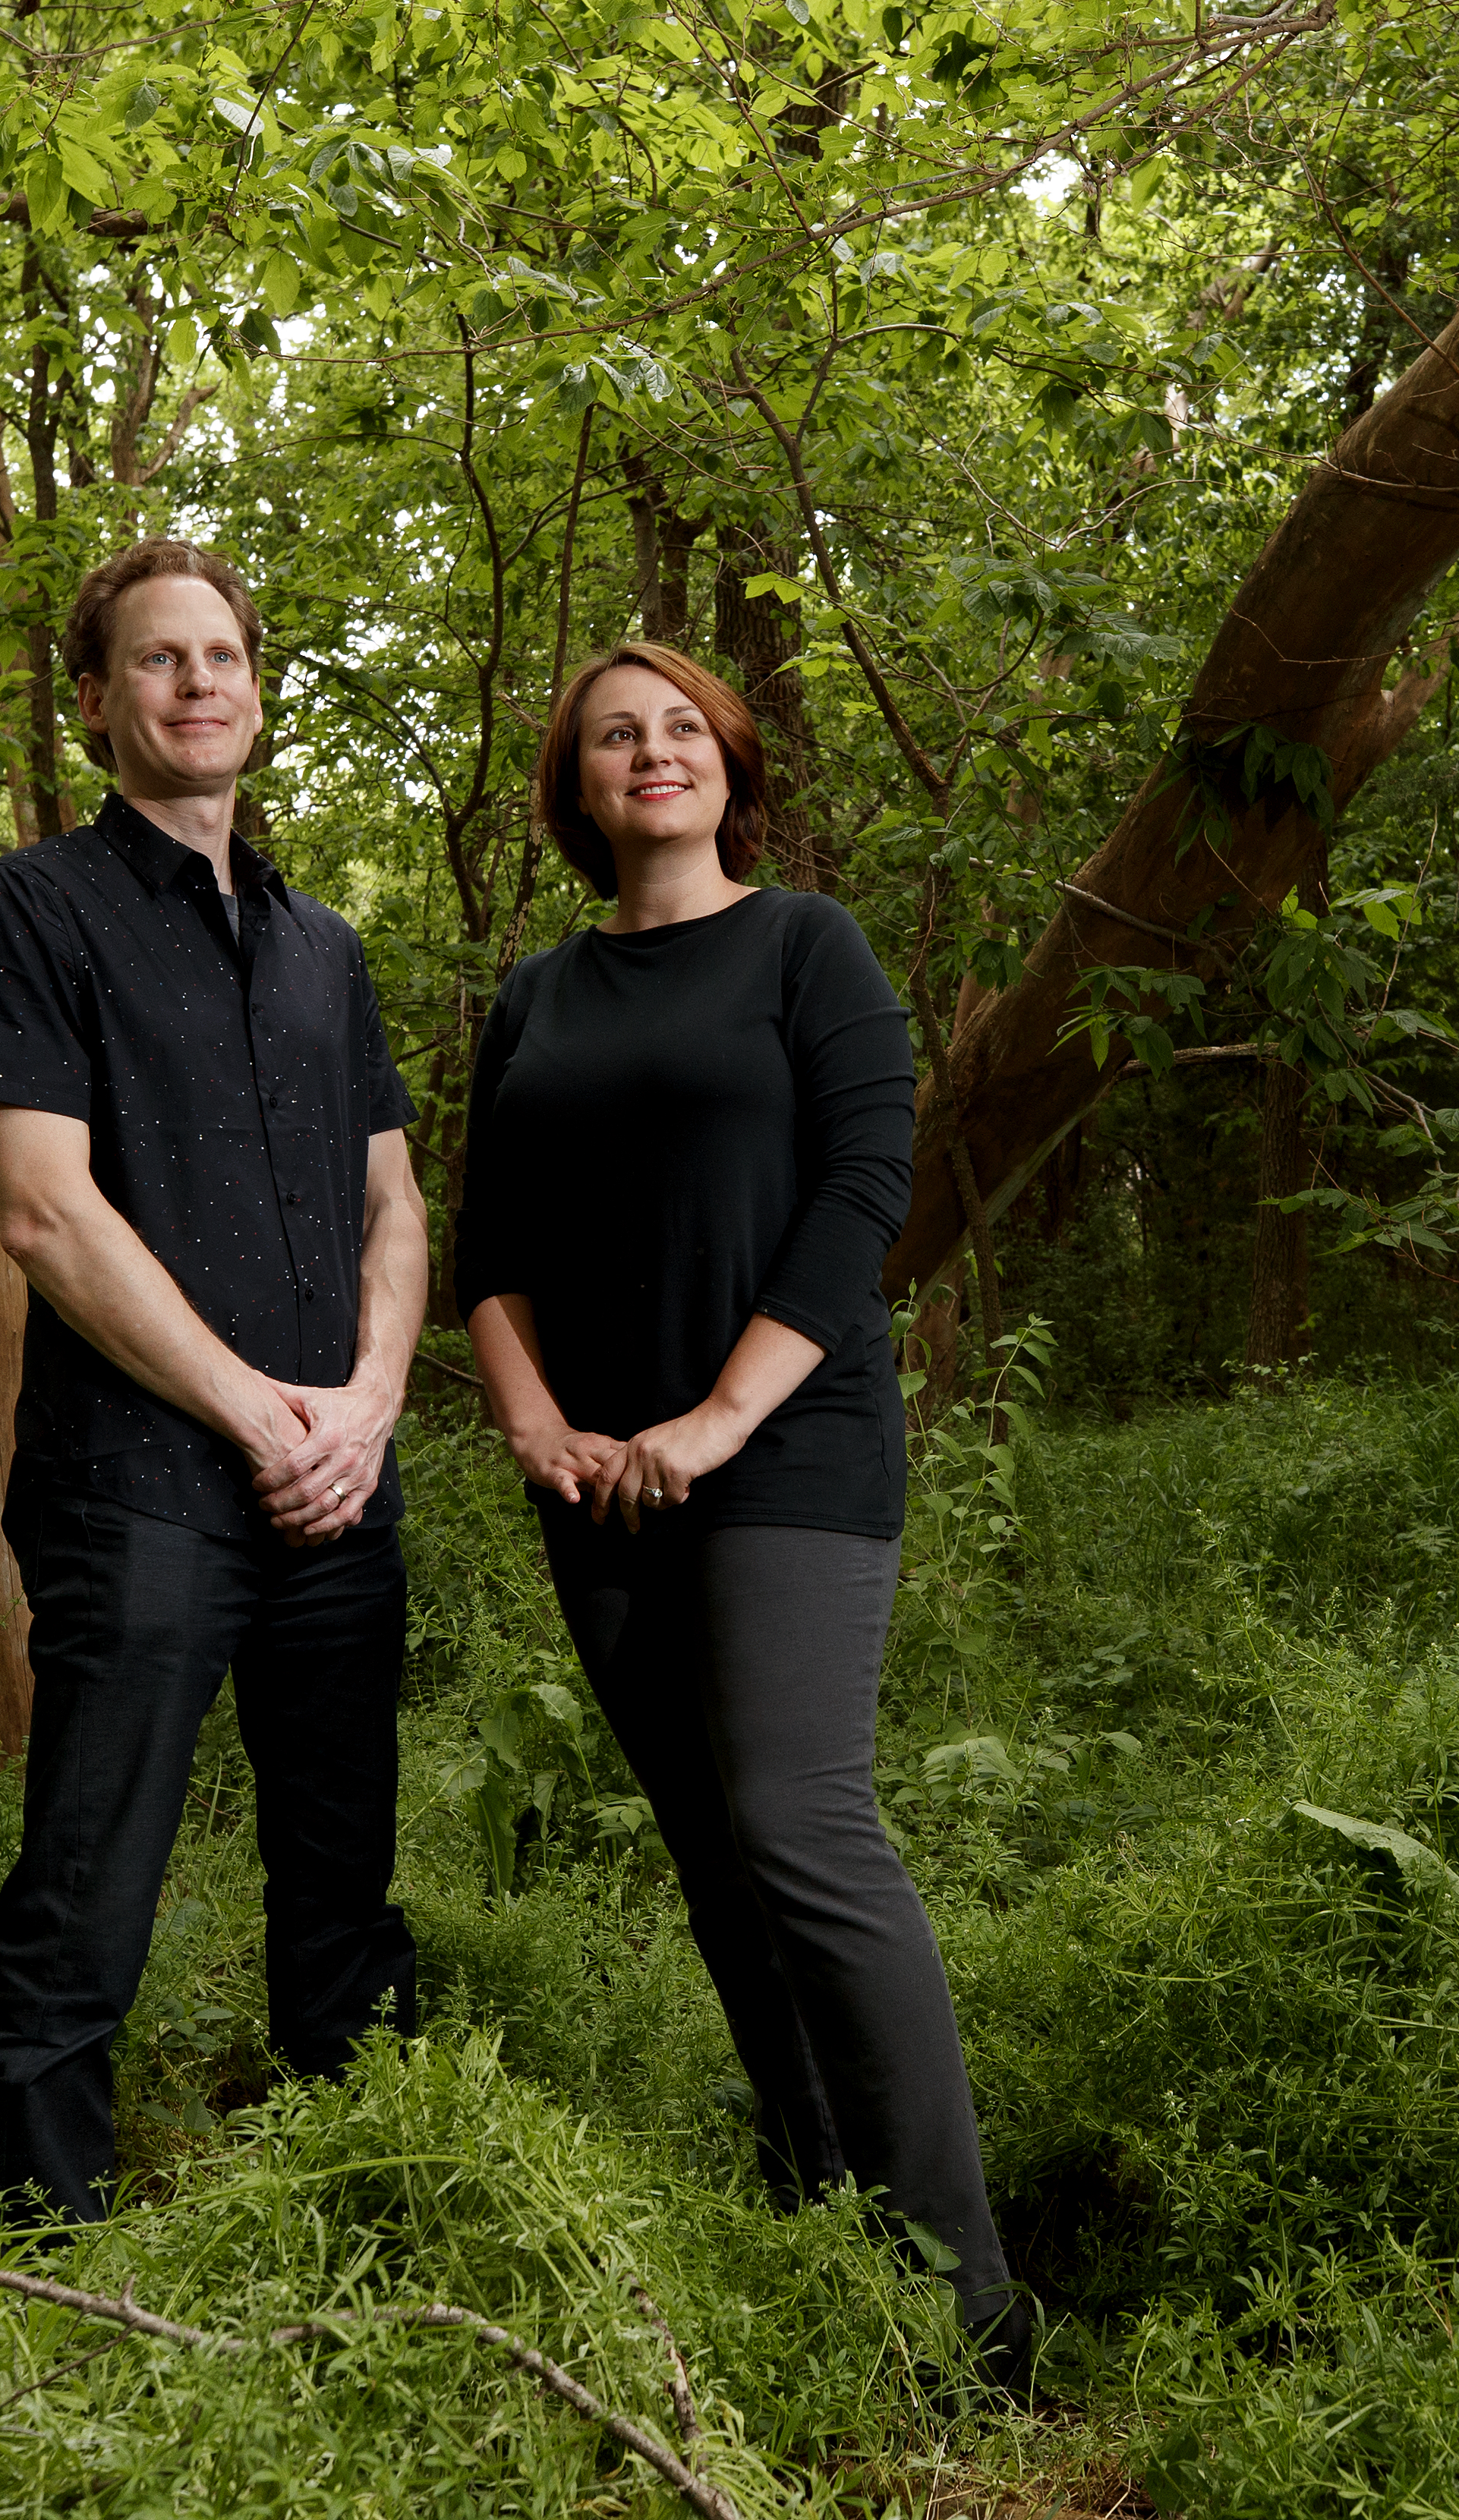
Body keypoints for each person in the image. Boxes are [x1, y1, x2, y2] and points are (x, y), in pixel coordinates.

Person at [452, 639, 1023, 2372]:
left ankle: (971, 2307)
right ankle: (817, 2210)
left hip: (784, 1447)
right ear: (576, 786)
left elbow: (866, 1192)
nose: (653, 752)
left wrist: (715, 1416)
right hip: (601, 1482)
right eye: (616, 735)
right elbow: (494, 1253)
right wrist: (539, 1421)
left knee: (801, 1825)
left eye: (681, 727)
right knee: (713, 1855)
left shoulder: (806, 946)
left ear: (731, 759)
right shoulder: (535, 998)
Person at [0, 537, 426, 2225]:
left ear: (258, 691)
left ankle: (369, 2206)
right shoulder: (30, 914)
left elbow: (396, 1207)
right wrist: (256, 1410)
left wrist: (359, 1409)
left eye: (222, 655)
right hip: (135, 1488)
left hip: (336, 1492)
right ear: (96, 702)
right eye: (158, 659)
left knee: (343, 1882)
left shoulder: (324, 950)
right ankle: (30, 2253)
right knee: (91, 1883)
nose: (198, 681)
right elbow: (43, 1215)